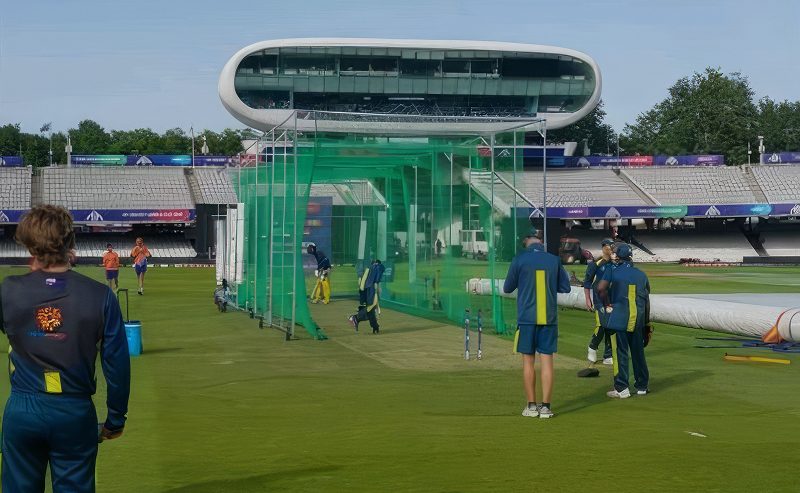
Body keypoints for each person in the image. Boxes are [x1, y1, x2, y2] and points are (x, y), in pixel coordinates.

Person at [0, 205, 130, 493]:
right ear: (71, 243)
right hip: (73, 412)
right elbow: (117, 364)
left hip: (23, 410)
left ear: (27, 243)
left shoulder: (9, 289)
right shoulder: (100, 296)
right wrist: (116, 418)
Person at [503, 228, 571, 419]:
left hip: (526, 319)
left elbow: (507, 288)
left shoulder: (519, 259)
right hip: (548, 319)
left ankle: (531, 406)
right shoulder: (553, 260)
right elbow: (565, 287)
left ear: (526, 241)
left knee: (528, 362)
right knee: (547, 361)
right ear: (541, 241)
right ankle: (546, 407)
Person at [596, 244, 651, 399]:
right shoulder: (641, 274)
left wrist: (606, 303)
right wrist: (646, 324)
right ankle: (642, 386)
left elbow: (600, 288)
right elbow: (646, 300)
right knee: (638, 353)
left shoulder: (612, 270)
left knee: (621, 353)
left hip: (619, 318)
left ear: (618, 256)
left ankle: (622, 388)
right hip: (638, 319)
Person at [583, 239, 615, 366]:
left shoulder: (616, 263)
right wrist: (587, 299)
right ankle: (592, 346)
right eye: (608, 246)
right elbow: (587, 282)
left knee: (612, 326)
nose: (611, 248)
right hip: (599, 299)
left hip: (612, 299)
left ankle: (608, 355)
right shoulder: (596, 264)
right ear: (603, 247)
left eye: (612, 246)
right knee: (601, 325)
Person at [348, 259, 385, 334]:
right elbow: (376, 283)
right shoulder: (378, 267)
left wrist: (362, 291)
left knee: (371, 308)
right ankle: (356, 318)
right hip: (371, 289)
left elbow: (363, 280)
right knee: (372, 306)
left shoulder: (369, 268)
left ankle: (375, 326)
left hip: (367, 289)